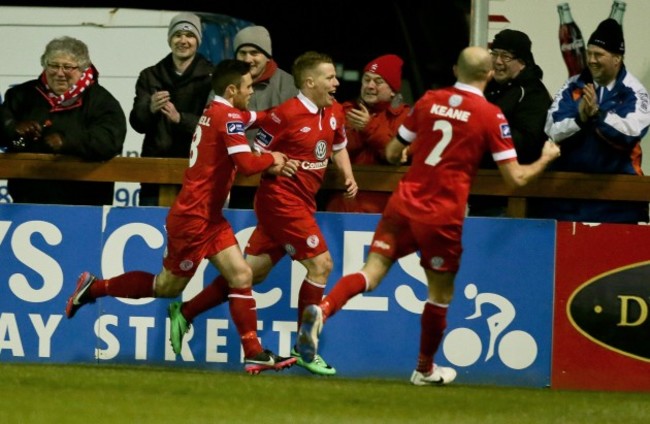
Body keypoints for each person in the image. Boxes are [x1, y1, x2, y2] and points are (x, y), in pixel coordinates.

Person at [295, 46, 561, 386]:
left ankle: (323, 310)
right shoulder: (490, 114)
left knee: (370, 273)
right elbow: (516, 179)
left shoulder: (428, 101)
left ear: (456, 70)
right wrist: (547, 157)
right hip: (441, 214)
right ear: (489, 74)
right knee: (439, 295)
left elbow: (393, 153)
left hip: (404, 202)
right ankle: (423, 369)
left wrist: (410, 149)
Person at [65, 59, 296, 375]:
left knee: (241, 276)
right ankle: (93, 288)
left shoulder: (218, 110)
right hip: (192, 220)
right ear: (232, 90)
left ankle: (254, 353)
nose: (251, 92)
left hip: (209, 217)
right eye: (247, 87)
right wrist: (272, 158)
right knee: (166, 287)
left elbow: (251, 117)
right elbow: (245, 164)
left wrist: (281, 113)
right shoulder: (227, 116)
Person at [167, 51, 358, 376]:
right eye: (330, 77)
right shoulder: (285, 115)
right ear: (310, 82)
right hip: (281, 203)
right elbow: (257, 151)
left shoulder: (334, 111)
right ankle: (305, 347)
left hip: (301, 203)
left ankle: (186, 311)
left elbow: (338, 145)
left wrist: (348, 174)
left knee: (250, 274)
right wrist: (273, 165)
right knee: (321, 264)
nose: (336, 83)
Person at [538, 18, 650, 224]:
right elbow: (552, 128)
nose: (591, 60)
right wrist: (580, 118)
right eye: (589, 53)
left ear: (617, 58)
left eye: (599, 54)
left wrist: (598, 115)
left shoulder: (634, 92)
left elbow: (630, 133)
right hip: (566, 203)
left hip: (617, 206)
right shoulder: (573, 86)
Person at [0, 36, 126, 205]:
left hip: (85, 204)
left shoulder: (101, 100)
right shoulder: (21, 95)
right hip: (28, 201)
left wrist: (68, 141)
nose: (59, 73)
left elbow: (111, 140)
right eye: (53, 65)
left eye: (67, 67)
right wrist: (12, 127)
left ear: (82, 68)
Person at [130, 12, 213, 206]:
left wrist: (180, 119)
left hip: (196, 169)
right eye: (177, 35)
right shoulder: (150, 75)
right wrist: (149, 108)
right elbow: (137, 123)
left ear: (198, 41)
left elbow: (214, 126)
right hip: (155, 170)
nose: (183, 41)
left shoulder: (212, 77)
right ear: (170, 39)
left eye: (190, 35)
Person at [469, 29, 552, 217]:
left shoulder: (532, 94)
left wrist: (485, 132)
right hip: (481, 194)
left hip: (511, 201)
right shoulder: (489, 88)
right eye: (495, 54)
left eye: (506, 57)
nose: (498, 62)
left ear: (522, 62)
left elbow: (528, 144)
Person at [325, 54, 411, 213]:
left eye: (378, 81)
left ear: (393, 90)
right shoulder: (345, 110)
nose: (370, 86)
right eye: (366, 79)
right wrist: (358, 132)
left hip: (385, 207)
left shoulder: (405, 116)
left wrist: (369, 127)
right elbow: (332, 151)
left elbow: (395, 155)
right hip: (342, 204)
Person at [227, 25, 298, 209]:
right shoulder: (227, 84)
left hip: (279, 179)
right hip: (239, 179)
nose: (248, 59)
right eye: (242, 52)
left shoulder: (290, 85)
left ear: (267, 56)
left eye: (254, 52)